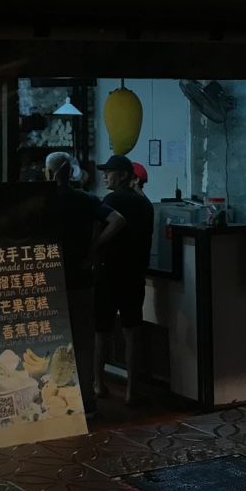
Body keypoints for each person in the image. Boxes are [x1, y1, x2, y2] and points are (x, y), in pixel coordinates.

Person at [46, 152, 124, 418]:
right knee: (82, 343)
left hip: (49, 282)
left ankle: (54, 403)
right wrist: (93, 248)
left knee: (52, 343)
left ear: (49, 173)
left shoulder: (42, 200)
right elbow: (117, 220)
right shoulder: (86, 199)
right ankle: (86, 402)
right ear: (72, 174)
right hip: (81, 279)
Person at [95, 154, 154, 405]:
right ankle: (132, 390)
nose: (104, 176)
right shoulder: (145, 204)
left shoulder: (110, 200)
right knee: (132, 331)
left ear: (122, 175)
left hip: (108, 273)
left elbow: (97, 231)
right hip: (134, 275)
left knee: (102, 331)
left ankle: (98, 384)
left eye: (109, 172)